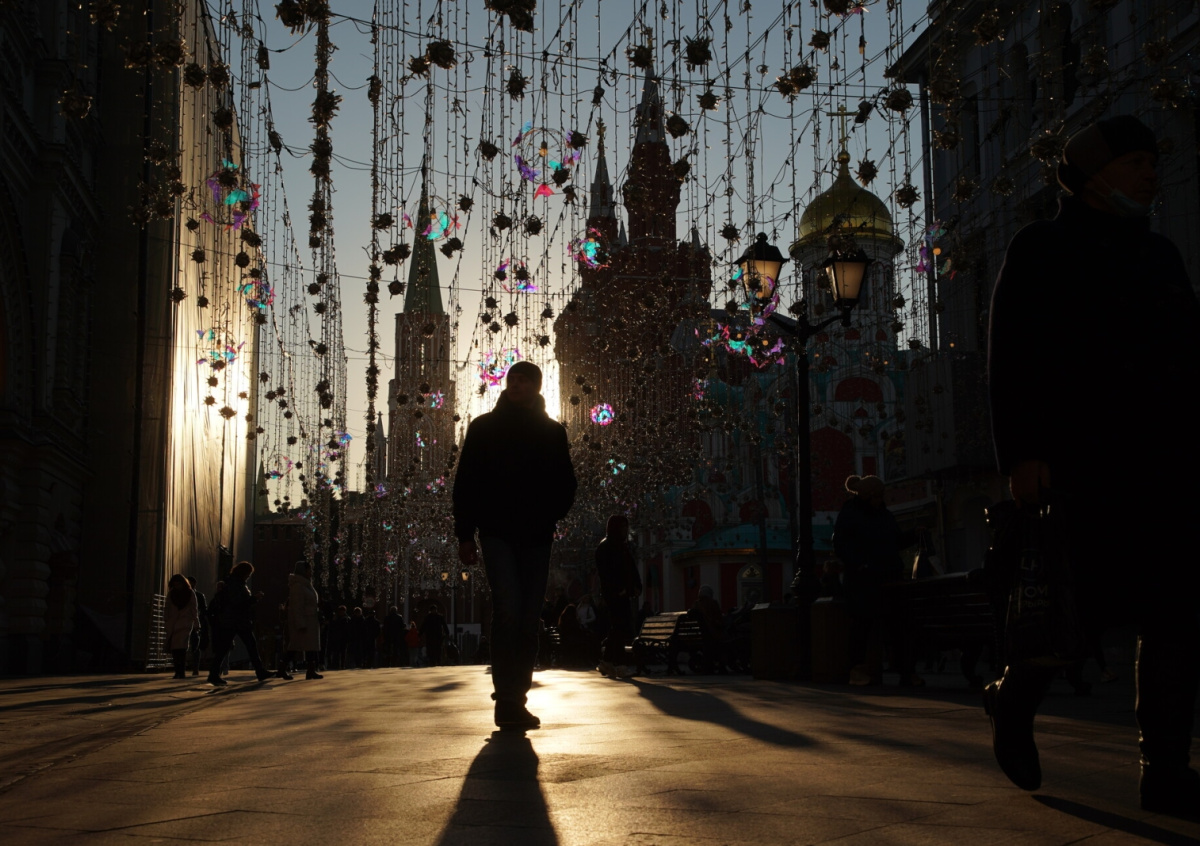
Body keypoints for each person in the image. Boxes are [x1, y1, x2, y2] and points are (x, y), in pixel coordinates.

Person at [986, 114, 1200, 814]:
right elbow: (1012, 357)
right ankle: (1014, 701)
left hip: (1164, 465)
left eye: (1152, 161)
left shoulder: (1160, 254)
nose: (1150, 173)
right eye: (1136, 162)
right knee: (1072, 615)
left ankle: (1163, 771)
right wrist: (1022, 454)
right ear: (1092, 174)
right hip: (1080, 466)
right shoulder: (1042, 248)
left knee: (1174, 618)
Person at [453, 360, 577, 730]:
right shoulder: (484, 428)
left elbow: (567, 483)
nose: (515, 385)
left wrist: (551, 513)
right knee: (508, 609)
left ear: (537, 386)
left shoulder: (552, 432)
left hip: (537, 536)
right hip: (497, 534)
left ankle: (517, 699)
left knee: (527, 618)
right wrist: (465, 534)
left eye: (523, 380)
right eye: (512, 379)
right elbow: (466, 484)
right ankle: (506, 700)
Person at [832, 475, 921, 687]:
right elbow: (841, 545)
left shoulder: (884, 515)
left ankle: (906, 671)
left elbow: (895, 541)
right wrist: (860, 565)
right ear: (867, 496)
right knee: (861, 627)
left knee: (897, 627)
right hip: (862, 582)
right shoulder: (851, 513)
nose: (880, 500)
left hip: (889, 578)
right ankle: (857, 670)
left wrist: (914, 535)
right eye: (877, 496)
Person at [206, 561, 271, 685]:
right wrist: (254, 599)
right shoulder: (236, 584)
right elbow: (237, 603)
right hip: (237, 620)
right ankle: (260, 671)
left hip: (232, 620)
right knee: (249, 646)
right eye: (248, 574)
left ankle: (214, 674)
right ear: (244, 573)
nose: (249, 576)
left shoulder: (233, 582)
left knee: (225, 648)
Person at [596, 515, 642, 678]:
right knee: (620, 627)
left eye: (625, 527)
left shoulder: (618, 546)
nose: (625, 530)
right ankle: (619, 664)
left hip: (620, 593)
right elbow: (609, 573)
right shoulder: (609, 547)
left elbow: (630, 568)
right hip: (616, 594)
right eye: (622, 527)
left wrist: (635, 586)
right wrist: (620, 589)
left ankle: (607, 662)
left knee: (618, 627)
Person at [287, 560, 323, 680]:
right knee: (295, 646)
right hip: (305, 621)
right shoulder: (298, 586)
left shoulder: (306, 584)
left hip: (310, 620)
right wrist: (300, 623)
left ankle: (311, 670)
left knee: (310, 647)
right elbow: (297, 606)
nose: (311, 572)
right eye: (309, 570)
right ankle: (282, 668)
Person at [163, 574, 198, 680]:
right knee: (176, 648)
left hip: (184, 623)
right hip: (174, 623)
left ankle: (180, 671)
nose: (177, 586)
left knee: (181, 648)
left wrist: (196, 623)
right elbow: (167, 607)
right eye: (175, 584)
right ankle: (178, 671)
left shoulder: (189, 593)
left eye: (178, 584)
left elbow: (194, 609)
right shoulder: (173, 593)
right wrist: (166, 618)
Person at [186, 576, 208, 677]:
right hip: (189, 622)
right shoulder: (198, 595)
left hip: (194, 623)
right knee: (193, 645)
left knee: (195, 645)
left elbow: (204, 610)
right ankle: (193, 668)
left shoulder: (198, 596)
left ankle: (195, 668)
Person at [327, 605, 349, 670]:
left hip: (343, 638)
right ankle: (337, 665)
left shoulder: (346, 619)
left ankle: (342, 665)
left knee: (342, 652)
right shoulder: (337, 618)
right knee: (337, 652)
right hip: (337, 637)